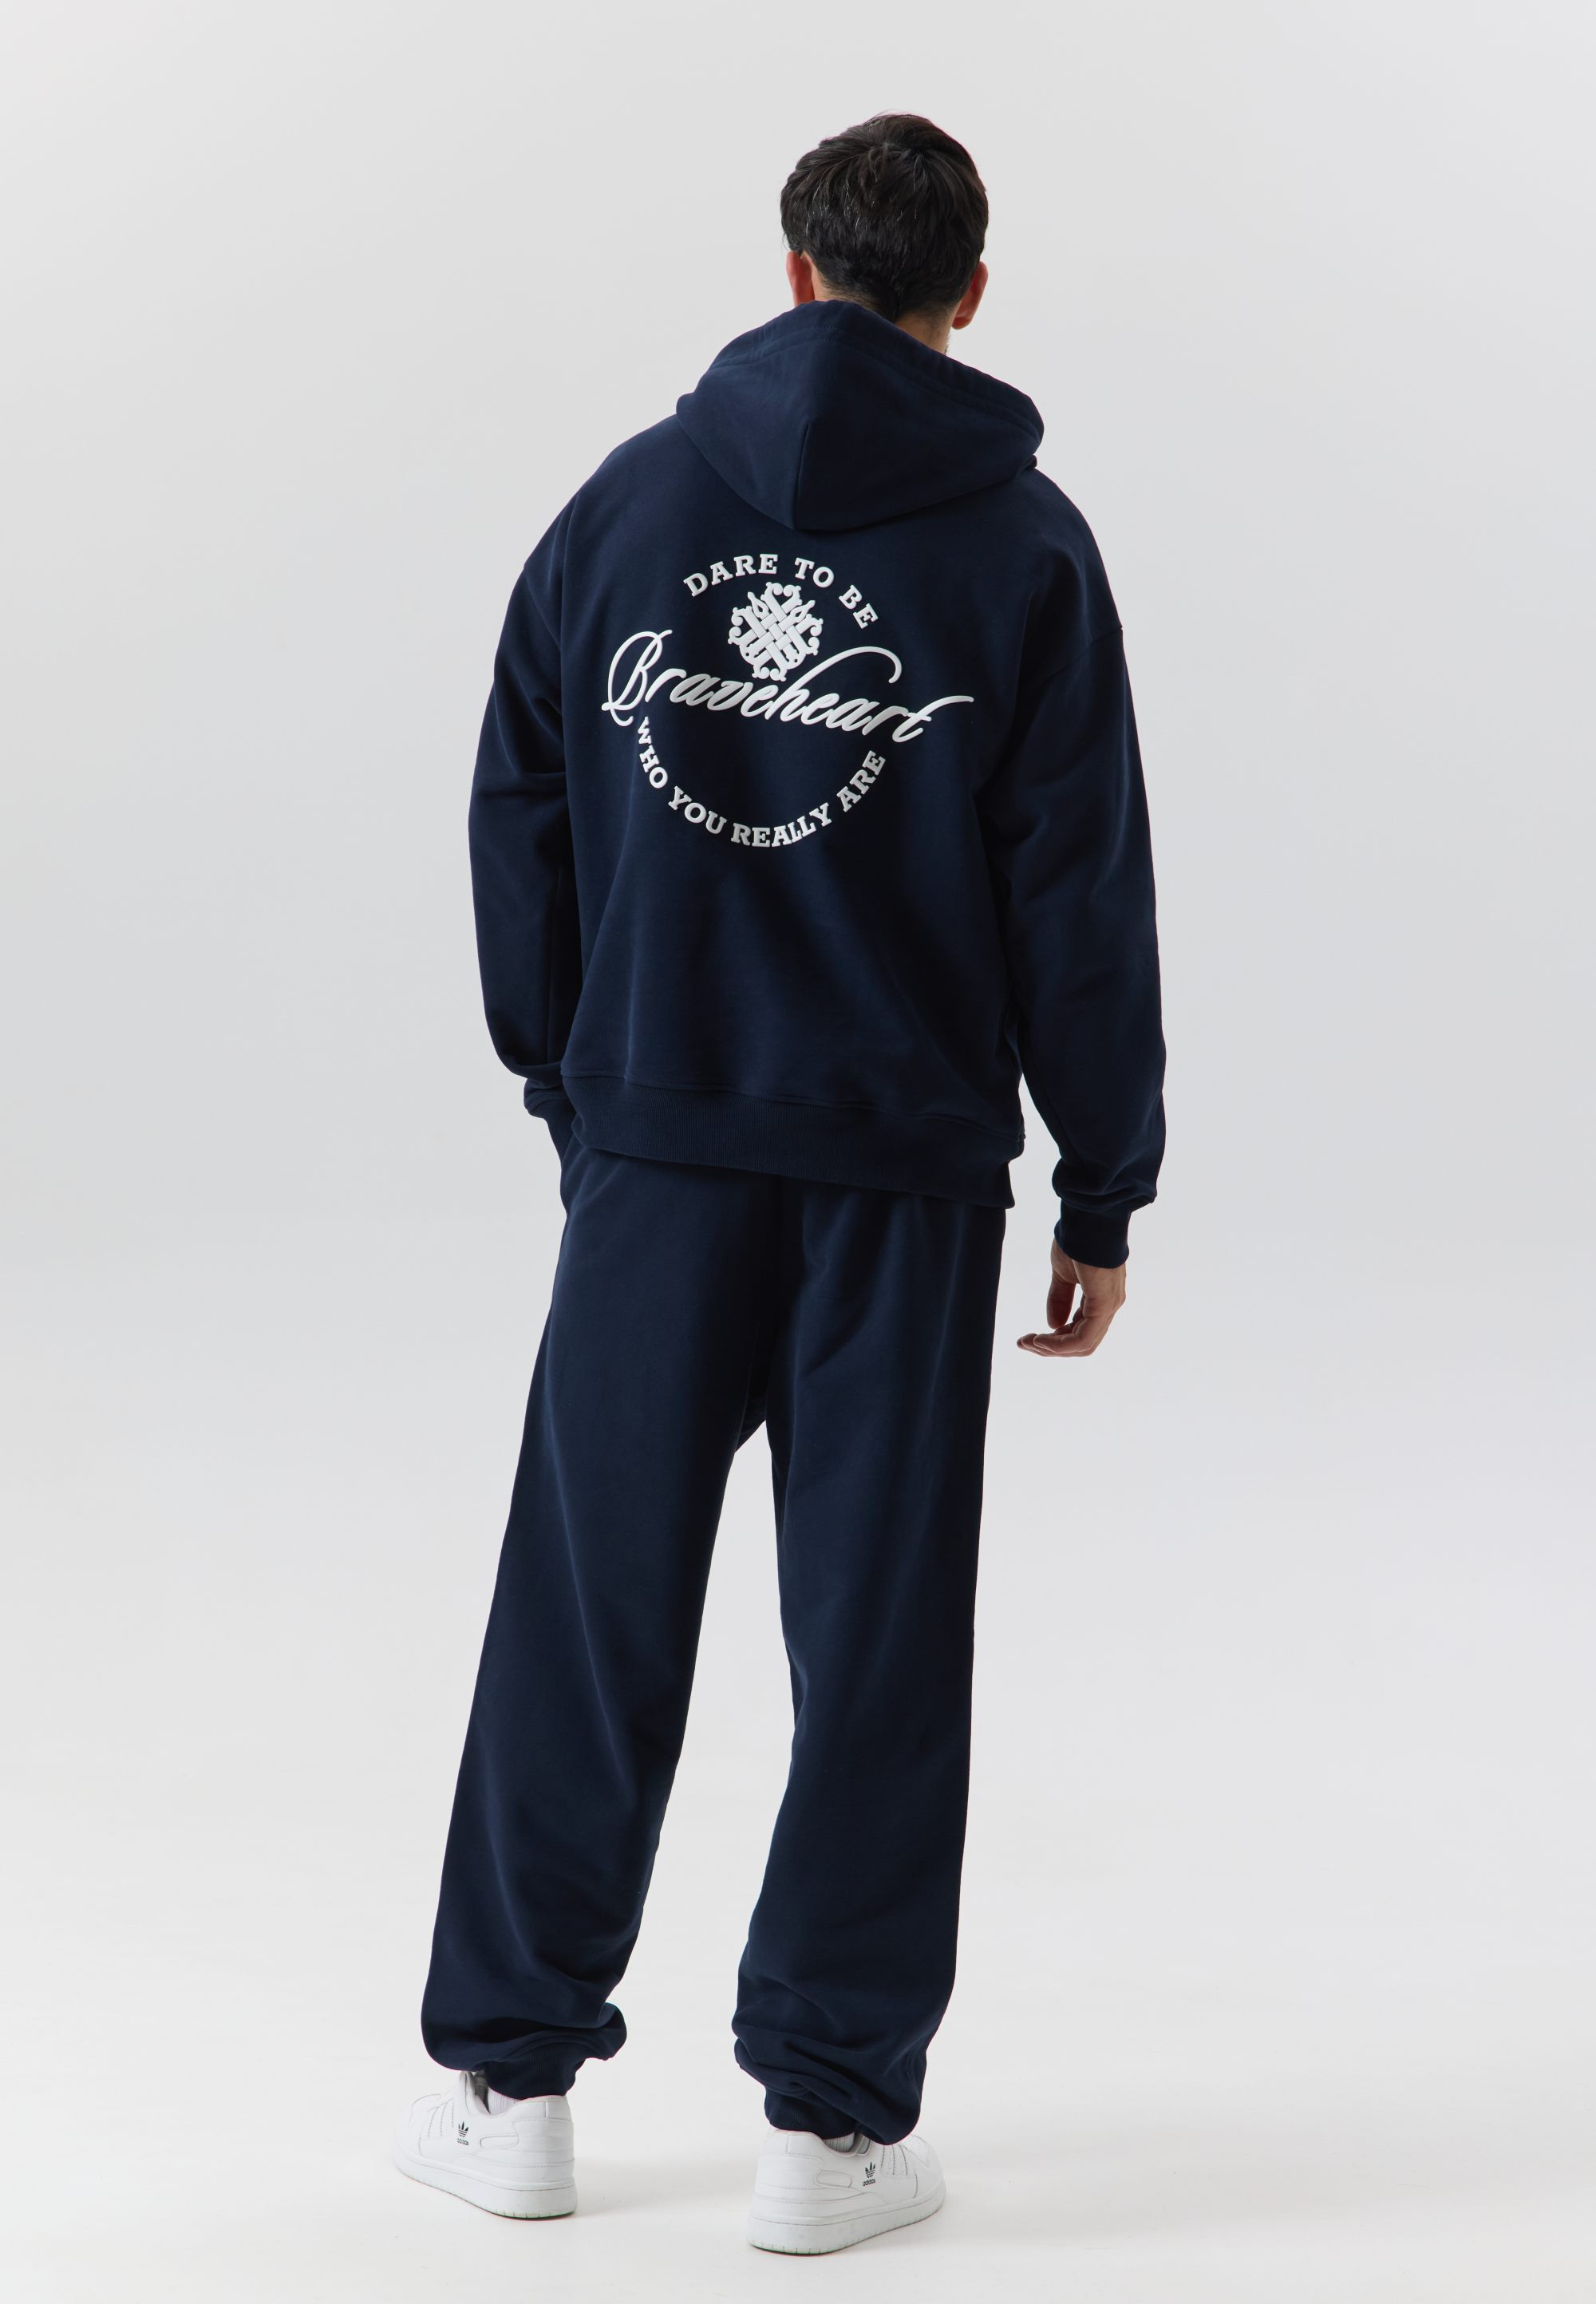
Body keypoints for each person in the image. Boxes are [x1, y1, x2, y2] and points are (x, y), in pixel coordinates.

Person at [393, 113, 1165, 2255]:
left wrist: (577, 1080)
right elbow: (1083, 887)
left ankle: (509, 2091)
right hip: (905, 1175)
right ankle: (828, 2135)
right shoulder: (1024, 548)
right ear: (969, 293)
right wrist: (1105, 1182)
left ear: (797, 268)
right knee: (879, 1638)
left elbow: (520, 801)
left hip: (659, 1151)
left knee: (589, 1612)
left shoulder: (627, 507)